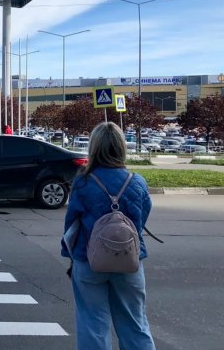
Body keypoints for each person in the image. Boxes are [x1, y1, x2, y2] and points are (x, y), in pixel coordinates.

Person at [61, 121, 155, 350]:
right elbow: (142, 220)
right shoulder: (137, 182)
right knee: (135, 324)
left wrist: (70, 257)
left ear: (94, 148)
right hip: (129, 261)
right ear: (122, 147)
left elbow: (71, 225)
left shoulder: (83, 183)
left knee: (92, 324)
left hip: (89, 261)